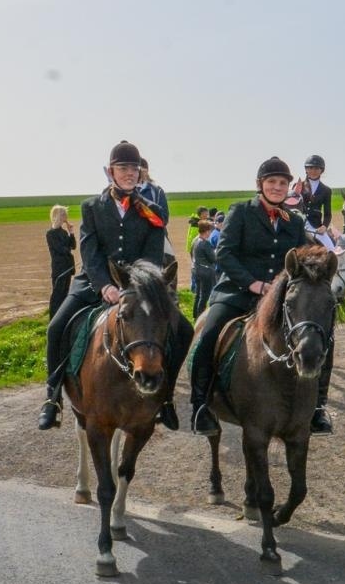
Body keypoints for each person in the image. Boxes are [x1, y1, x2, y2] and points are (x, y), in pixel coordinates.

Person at [39, 140, 189, 432]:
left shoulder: (152, 211)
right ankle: (53, 396)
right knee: (56, 327)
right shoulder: (92, 207)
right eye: (123, 168)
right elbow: (90, 251)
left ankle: (166, 398)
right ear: (111, 171)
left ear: (140, 172)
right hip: (94, 282)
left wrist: (134, 285)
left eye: (134, 168)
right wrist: (105, 286)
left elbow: (152, 254)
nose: (129, 173)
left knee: (182, 330)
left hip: (138, 286)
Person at [186, 156, 333, 437]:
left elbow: (302, 259)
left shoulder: (295, 220)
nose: (278, 187)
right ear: (260, 184)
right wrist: (254, 284)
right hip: (237, 292)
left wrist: (325, 256)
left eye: (283, 183)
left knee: (323, 333)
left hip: (277, 299)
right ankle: (200, 405)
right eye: (272, 182)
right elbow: (225, 254)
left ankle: (317, 408)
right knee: (208, 333)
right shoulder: (240, 211)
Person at [46, 205, 77, 317]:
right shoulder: (51, 234)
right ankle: (53, 318)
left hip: (67, 268)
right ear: (58, 216)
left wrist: (71, 232)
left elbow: (73, 246)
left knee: (65, 294)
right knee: (57, 295)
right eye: (64, 214)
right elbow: (61, 250)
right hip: (59, 269)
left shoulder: (63, 232)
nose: (66, 217)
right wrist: (67, 247)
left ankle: (62, 316)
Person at [294, 155, 333, 231]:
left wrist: (324, 226)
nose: (313, 171)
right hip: (298, 225)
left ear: (321, 170)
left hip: (316, 227)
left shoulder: (326, 190)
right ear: (306, 169)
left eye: (316, 168)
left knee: (329, 243)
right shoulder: (298, 186)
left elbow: (328, 214)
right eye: (310, 168)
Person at [190, 217, 217, 318]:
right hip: (206, 272)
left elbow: (191, 253)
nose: (210, 233)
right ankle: (200, 316)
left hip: (196, 270)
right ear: (206, 231)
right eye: (210, 230)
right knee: (204, 296)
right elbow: (213, 259)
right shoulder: (205, 243)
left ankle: (195, 314)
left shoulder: (195, 240)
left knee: (198, 294)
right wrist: (216, 252)